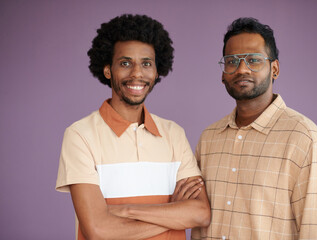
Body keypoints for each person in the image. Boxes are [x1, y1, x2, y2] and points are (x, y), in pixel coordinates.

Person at [55, 14, 210, 240]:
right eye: (125, 63)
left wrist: (127, 210)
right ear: (108, 70)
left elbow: (201, 214)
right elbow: (98, 231)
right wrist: (172, 214)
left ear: (156, 72)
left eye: (146, 63)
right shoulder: (80, 135)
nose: (137, 73)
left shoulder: (173, 134)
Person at [192, 17, 317, 240]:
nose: (242, 69)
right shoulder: (209, 138)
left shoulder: (304, 139)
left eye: (253, 60)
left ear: (275, 69)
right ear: (223, 75)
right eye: (232, 61)